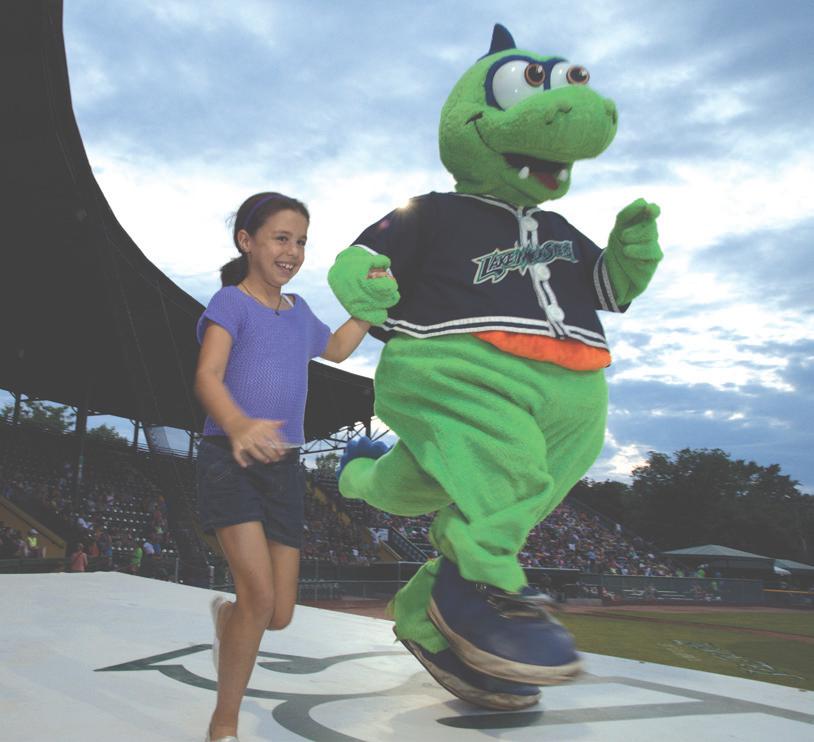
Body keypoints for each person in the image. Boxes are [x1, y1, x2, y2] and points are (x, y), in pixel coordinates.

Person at [194, 191, 381, 742]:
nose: (292, 251)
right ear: (246, 241)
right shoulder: (230, 303)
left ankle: (227, 620)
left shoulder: (300, 312)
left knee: (278, 614)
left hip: (284, 468)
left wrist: (368, 308)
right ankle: (224, 723)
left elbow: (338, 349)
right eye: (281, 238)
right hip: (230, 458)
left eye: (300, 241)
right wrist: (239, 424)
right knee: (257, 597)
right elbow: (207, 376)